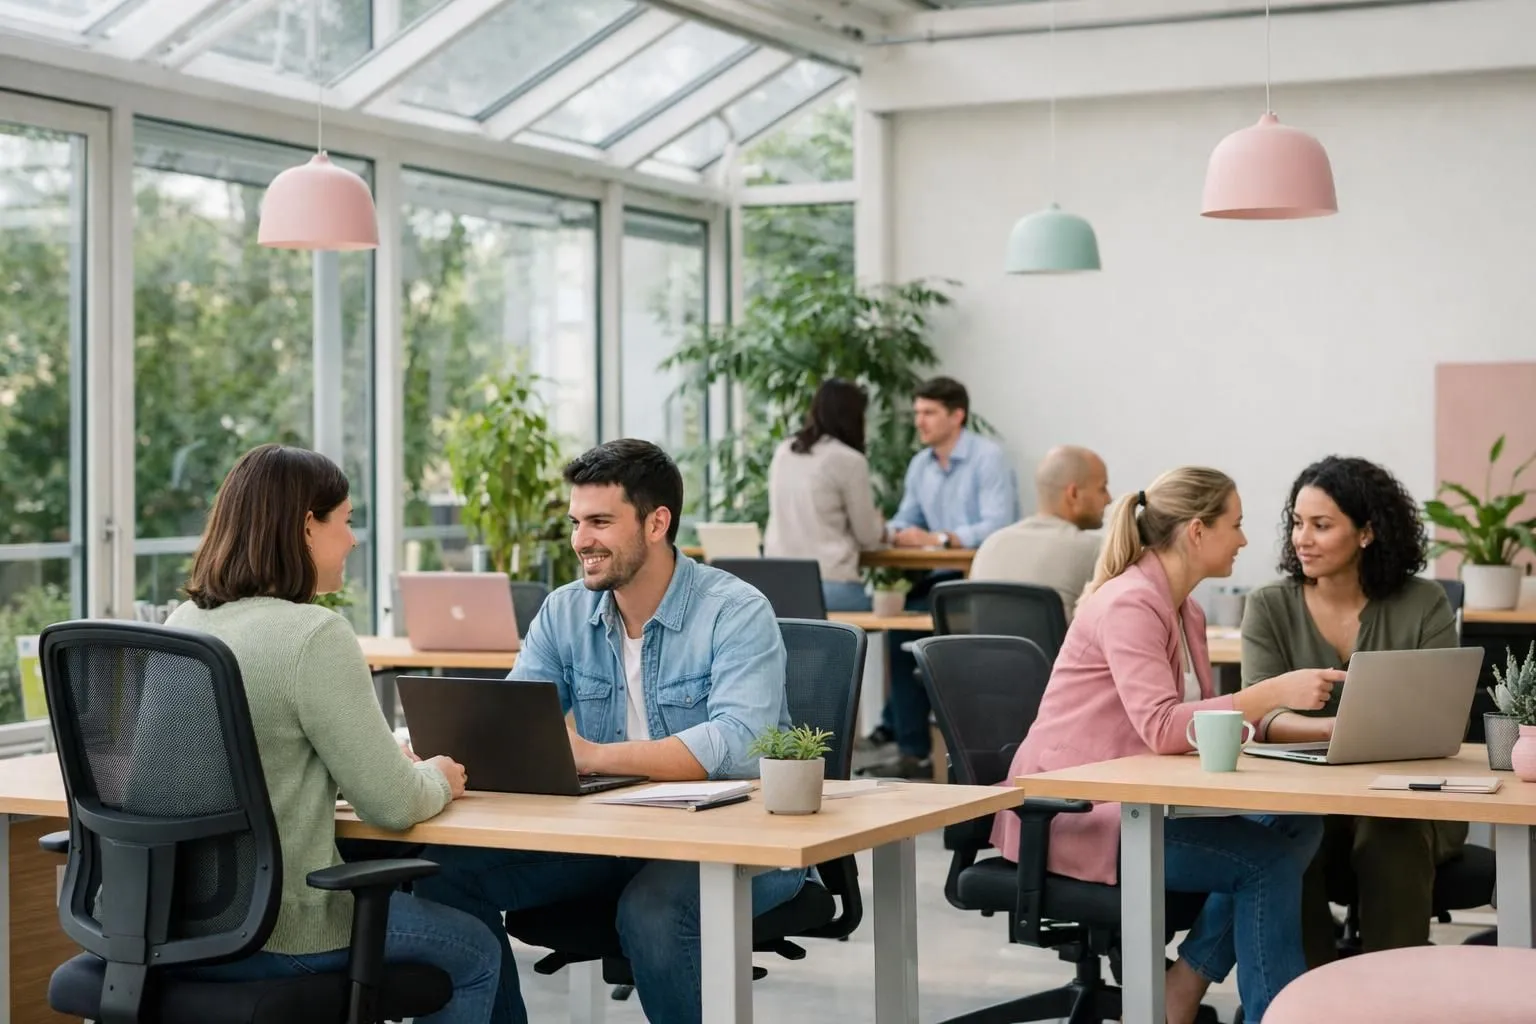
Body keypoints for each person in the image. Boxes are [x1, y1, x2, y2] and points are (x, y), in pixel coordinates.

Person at [413, 439, 804, 1024]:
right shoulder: (565, 611)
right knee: (443, 879)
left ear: (656, 523)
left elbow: (741, 743)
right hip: (608, 836)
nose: (580, 540)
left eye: (600, 522)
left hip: (738, 847)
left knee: (654, 911)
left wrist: (594, 756)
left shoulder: (735, 610)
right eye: (576, 522)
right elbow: (515, 718)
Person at [164, 444, 499, 1024]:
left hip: (168, 923)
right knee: (477, 952)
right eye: (344, 521)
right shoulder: (314, 634)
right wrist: (438, 776)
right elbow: (394, 804)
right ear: (305, 525)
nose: (353, 540)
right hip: (282, 928)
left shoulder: (184, 624)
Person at [993, 468, 1341, 1024]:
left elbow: (1196, 724)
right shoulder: (1131, 603)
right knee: (1266, 863)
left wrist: (1320, 732)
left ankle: (1181, 986)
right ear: (1197, 532)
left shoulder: (1184, 609)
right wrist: (1269, 693)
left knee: (1297, 822)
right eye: (1237, 525)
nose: (1246, 540)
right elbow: (1161, 727)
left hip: (1141, 804)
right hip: (1082, 814)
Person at [1241, 455, 1465, 967]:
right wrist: (1337, 728)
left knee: (1390, 833)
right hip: (1306, 800)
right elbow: (1259, 717)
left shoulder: (1423, 602)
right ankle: (1310, 998)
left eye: (1322, 525)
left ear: (1367, 532)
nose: (1303, 539)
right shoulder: (1269, 606)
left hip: (1404, 799)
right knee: (1286, 836)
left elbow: (1439, 718)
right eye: (1297, 523)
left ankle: (1392, 997)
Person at [864, 376, 1020, 778]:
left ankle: (955, 749)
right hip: (936, 581)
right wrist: (891, 531)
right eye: (917, 412)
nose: (920, 421)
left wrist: (940, 538)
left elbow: (998, 524)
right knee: (900, 634)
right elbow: (908, 517)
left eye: (929, 412)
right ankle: (913, 751)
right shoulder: (921, 465)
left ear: (957, 415)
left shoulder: (988, 458)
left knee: (925, 633)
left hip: (980, 581)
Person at [764, 378, 887, 612]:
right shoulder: (850, 460)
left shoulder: (784, 451)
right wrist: (880, 525)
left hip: (778, 588)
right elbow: (868, 537)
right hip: (830, 586)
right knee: (906, 607)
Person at [970, 444, 1112, 623]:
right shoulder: (1094, 550)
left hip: (987, 652)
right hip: (1057, 652)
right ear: (1073, 494)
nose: (1109, 499)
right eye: (1102, 488)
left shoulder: (991, 544)